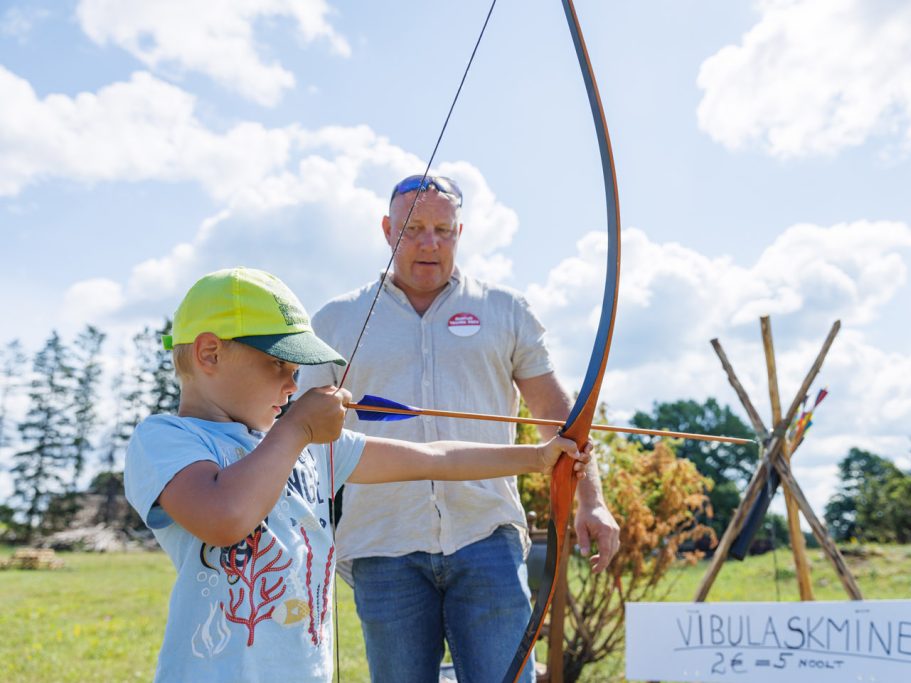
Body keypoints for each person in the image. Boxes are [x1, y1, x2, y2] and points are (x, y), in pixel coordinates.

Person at [123, 267, 589, 683]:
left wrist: (536, 457)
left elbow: (433, 459)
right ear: (209, 354)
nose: (292, 384)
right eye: (277, 365)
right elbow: (225, 517)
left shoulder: (306, 447)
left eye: (295, 370)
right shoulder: (166, 439)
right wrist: (297, 427)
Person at [298, 174, 621, 682]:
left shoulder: (504, 310)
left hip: (486, 536)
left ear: (460, 232)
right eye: (414, 228)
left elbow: (558, 420)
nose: (430, 242)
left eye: (443, 230)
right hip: (383, 544)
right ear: (387, 230)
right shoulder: (337, 320)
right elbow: (299, 433)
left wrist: (592, 501)